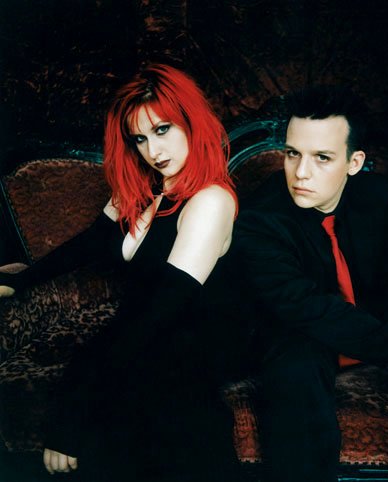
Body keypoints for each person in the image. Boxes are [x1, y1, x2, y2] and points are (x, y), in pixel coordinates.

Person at [0, 63, 244, 481]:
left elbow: (162, 311)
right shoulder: (148, 187)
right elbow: (89, 243)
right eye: (140, 138)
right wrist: (19, 281)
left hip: (194, 343)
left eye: (163, 129)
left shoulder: (210, 201)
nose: (154, 150)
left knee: (132, 400)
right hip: (151, 335)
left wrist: (72, 405)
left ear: (191, 122)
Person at [231, 85, 388, 482]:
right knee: (296, 359)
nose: (301, 173)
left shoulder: (370, 194)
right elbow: (310, 310)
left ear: (354, 161)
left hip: (366, 326)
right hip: (295, 332)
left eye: (322, 157)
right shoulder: (261, 220)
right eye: (293, 154)